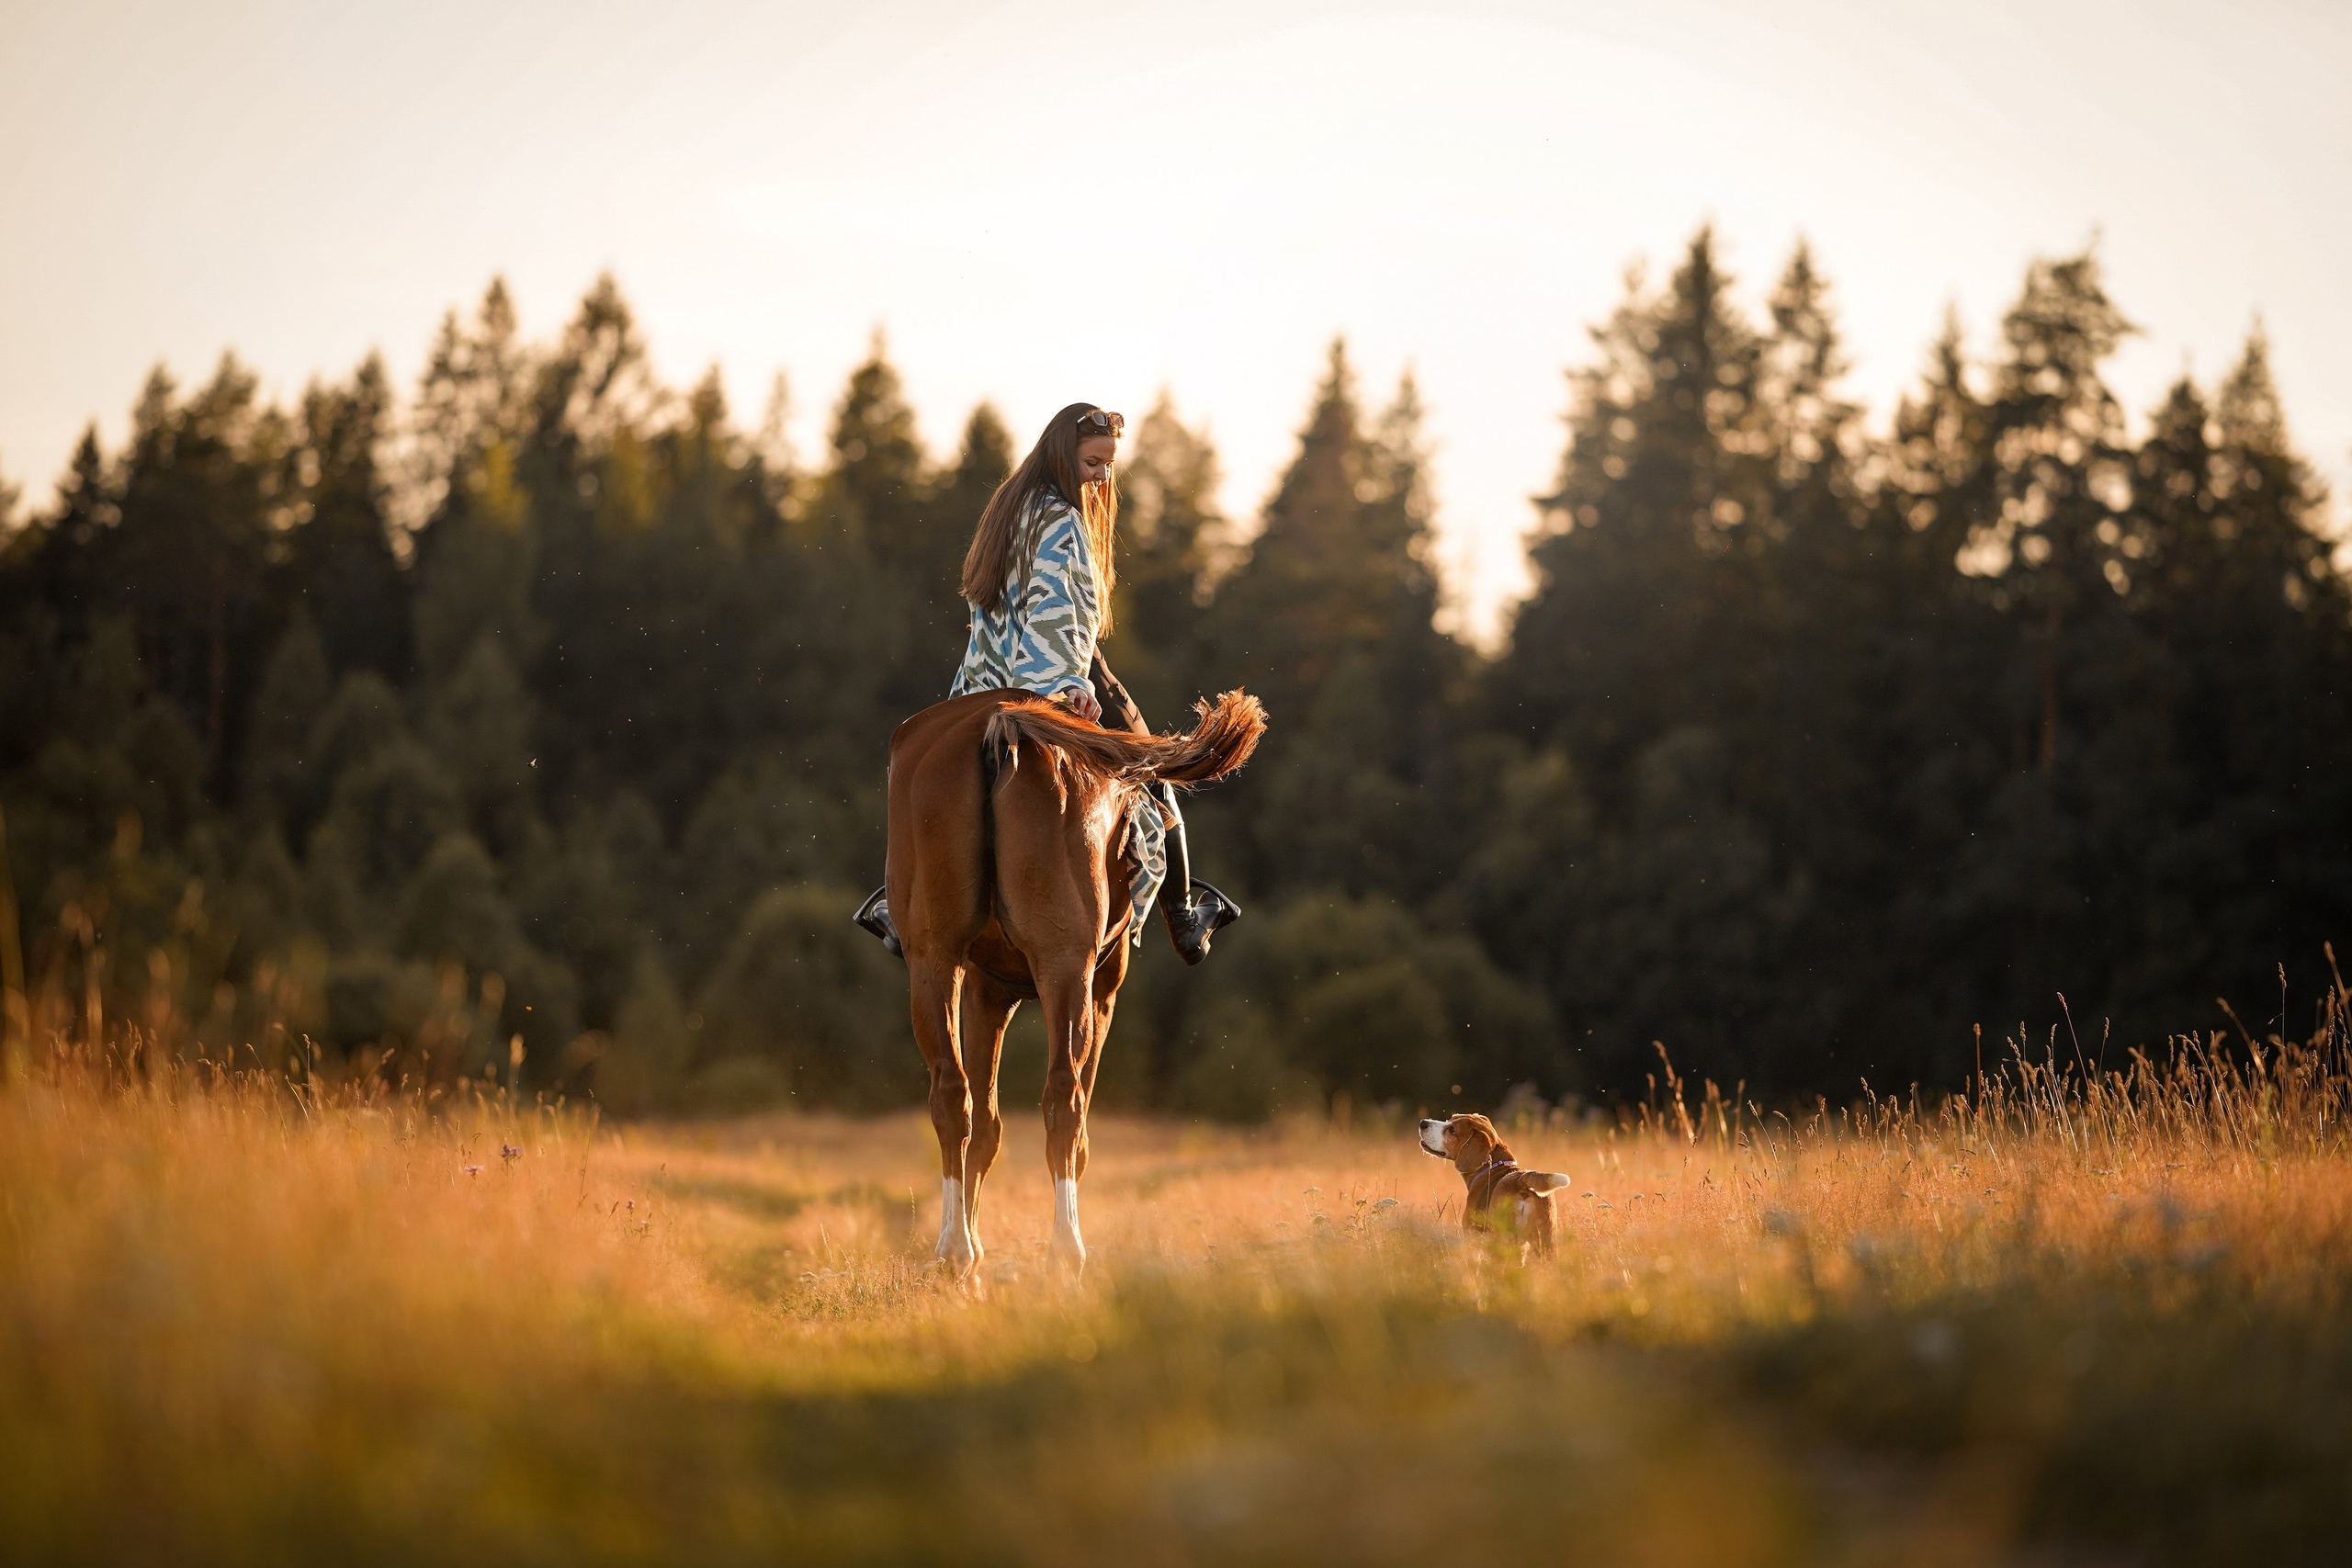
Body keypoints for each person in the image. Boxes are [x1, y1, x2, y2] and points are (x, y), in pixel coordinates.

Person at [853, 403, 1241, 965]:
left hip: (981, 677)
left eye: (1109, 466)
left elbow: (989, 611)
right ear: (1063, 454)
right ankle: (1184, 917)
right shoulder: (1061, 520)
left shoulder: (1004, 512)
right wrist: (1063, 684)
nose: (1102, 477)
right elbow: (1057, 608)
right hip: (1052, 672)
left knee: (920, 778)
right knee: (1152, 776)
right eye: (1092, 463)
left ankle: (895, 900)